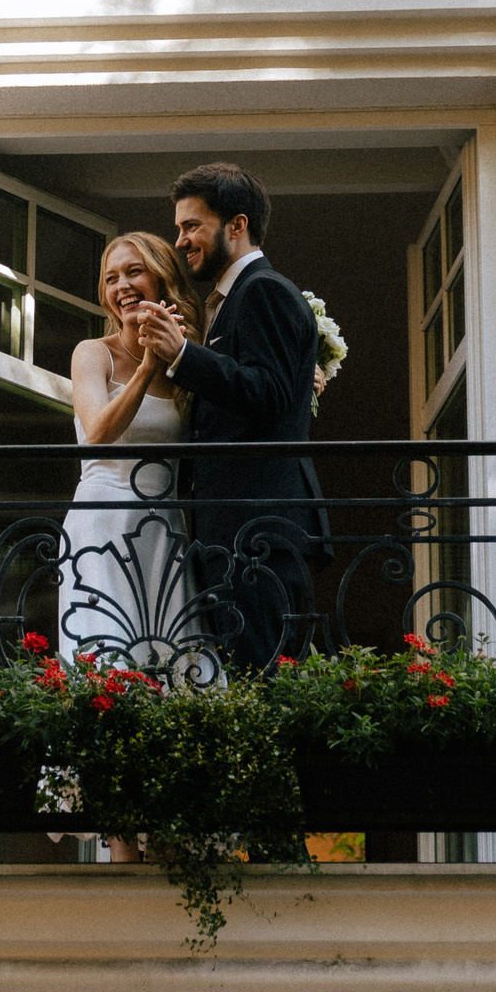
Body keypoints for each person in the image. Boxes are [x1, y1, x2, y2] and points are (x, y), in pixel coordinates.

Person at [130, 161, 328, 671]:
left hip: (258, 526)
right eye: (179, 228)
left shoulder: (263, 290)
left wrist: (183, 355)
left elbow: (270, 394)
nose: (180, 241)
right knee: (244, 676)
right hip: (234, 528)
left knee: (262, 676)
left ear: (236, 225)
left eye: (192, 226)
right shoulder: (228, 300)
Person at [63, 231, 202, 669]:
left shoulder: (189, 358)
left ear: (161, 280)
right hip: (102, 523)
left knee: (177, 666)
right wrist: (146, 368)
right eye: (111, 278)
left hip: (166, 528)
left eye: (134, 272)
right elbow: (98, 434)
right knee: (107, 662)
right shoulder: (93, 353)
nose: (121, 286)